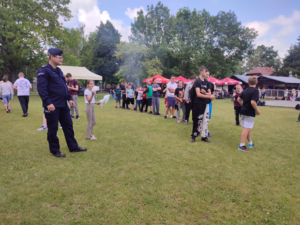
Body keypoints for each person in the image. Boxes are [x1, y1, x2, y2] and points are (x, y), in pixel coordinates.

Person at [37, 48, 87, 157]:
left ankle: (73, 147)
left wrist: (69, 98)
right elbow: (41, 88)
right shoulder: (44, 70)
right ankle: (55, 150)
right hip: (52, 105)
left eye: (61, 57)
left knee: (68, 125)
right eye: (59, 57)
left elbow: (64, 87)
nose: (61, 59)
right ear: (52, 57)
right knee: (53, 128)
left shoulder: (59, 71)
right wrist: (48, 102)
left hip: (63, 104)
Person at [237, 76, 260, 152]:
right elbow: (253, 102)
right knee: (246, 128)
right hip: (249, 112)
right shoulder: (255, 91)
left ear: (248, 83)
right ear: (256, 82)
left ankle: (250, 143)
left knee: (248, 127)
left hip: (243, 111)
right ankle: (241, 145)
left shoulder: (245, 90)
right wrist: (257, 111)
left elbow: (238, 99)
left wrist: (243, 105)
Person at [190, 66, 212, 143]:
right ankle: (193, 136)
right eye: (205, 72)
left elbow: (209, 92)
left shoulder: (206, 82)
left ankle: (204, 136)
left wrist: (207, 93)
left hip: (205, 103)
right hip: (197, 104)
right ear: (201, 72)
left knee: (205, 120)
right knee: (197, 120)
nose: (206, 73)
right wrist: (209, 95)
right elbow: (198, 94)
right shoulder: (197, 81)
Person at [205, 71, 216, 138]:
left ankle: (206, 130)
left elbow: (212, 93)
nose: (207, 75)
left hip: (209, 103)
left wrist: (213, 96)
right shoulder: (201, 83)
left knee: (207, 118)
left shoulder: (211, 84)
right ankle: (200, 130)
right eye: (206, 74)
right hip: (201, 103)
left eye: (208, 74)